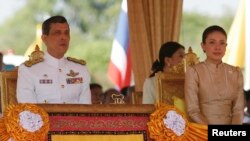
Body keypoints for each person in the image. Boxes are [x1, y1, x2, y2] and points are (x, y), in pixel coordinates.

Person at [17, 15, 91, 104]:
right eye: (57, 33)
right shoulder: (28, 70)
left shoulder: (81, 69)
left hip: (75, 118)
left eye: (66, 33)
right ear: (44, 38)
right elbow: (28, 110)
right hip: (42, 118)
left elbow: (86, 109)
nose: (63, 37)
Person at [185, 25, 244, 125]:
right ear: (203, 46)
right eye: (212, 42)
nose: (217, 47)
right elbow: (193, 111)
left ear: (226, 46)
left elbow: (238, 110)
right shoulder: (194, 71)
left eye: (222, 43)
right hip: (203, 131)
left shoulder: (235, 73)